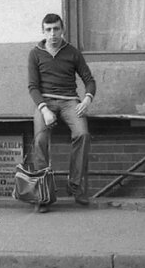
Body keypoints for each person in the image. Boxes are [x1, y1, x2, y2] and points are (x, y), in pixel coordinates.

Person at [27, 13, 96, 213]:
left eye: (56, 29)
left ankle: (74, 185)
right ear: (43, 31)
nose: (53, 34)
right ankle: (43, 194)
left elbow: (89, 79)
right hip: (45, 102)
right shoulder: (35, 54)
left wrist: (87, 98)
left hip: (69, 102)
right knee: (40, 140)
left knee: (82, 134)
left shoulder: (72, 52)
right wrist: (44, 109)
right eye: (48, 30)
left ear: (62, 30)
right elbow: (32, 87)